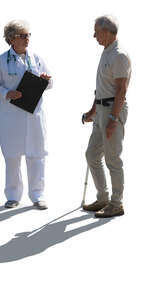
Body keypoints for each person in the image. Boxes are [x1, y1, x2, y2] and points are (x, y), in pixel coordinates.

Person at [0, 20, 53, 210]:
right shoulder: (0, 61)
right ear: (11, 39)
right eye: (22, 36)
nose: (27, 39)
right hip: (12, 116)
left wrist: (45, 81)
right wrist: (7, 93)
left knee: (37, 155)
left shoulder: (36, 58)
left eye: (28, 35)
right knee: (12, 156)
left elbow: (51, 81)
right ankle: (13, 195)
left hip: (34, 116)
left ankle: (37, 195)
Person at [82, 15, 131, 217]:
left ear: (107, 31)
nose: (94, 35)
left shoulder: (119, 55)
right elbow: (100, 88)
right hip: (101, 110)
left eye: (96, 31)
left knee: (112, 159)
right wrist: (92, 111)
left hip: (112, 110)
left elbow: (121, 90)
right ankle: (103, 198)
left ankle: (116, 203)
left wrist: (112, 119)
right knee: (92, 155)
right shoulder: (106, 53)